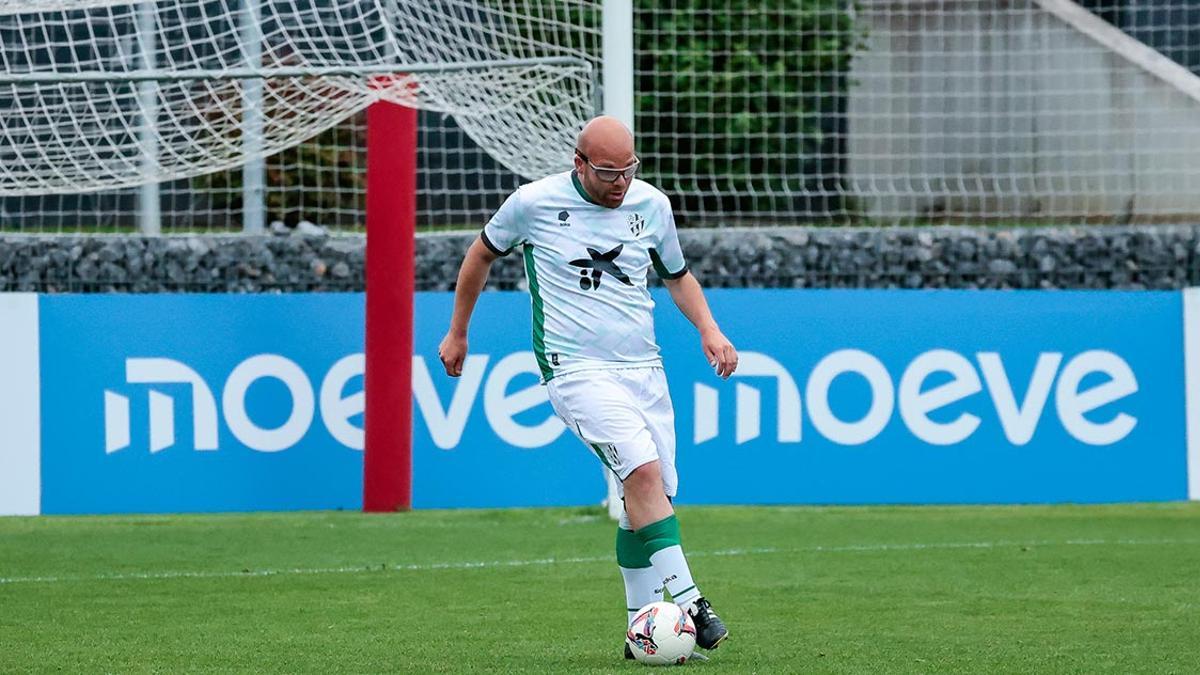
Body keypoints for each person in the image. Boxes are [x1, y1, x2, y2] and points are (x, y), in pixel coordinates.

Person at [437, 115, 738, 657]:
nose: (620, 182)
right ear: (578, 164)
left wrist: (709, 329)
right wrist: (458, 331)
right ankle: (694, 604)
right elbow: (481, 253)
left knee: (650, 496)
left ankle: (636, 628)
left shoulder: (652, 205)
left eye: (628, 170)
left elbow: (676, 274)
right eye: (607, 173)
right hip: (574, 368)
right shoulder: (531, 203)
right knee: (641, 470)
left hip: (644, 368)